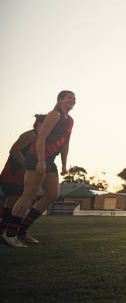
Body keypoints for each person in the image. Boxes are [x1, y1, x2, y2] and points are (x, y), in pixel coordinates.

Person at [1, 90, 75, 247]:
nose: (73, 100)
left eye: (74, 99)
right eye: (69, 97)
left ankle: (22, 230)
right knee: (28, 196)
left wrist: (63, 164)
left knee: (52, 195)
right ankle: (10, 234)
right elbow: (41, 137)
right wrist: (41, 161)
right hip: (37, 158)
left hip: (51, 161)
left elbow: (65, 144)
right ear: (60, 99)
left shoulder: (70, 121)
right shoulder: (54, 114)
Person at [0, 114, 46, 243]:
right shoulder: (31, 134)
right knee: (14, 202)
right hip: (13, 173)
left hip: (25, 176)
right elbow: (14, 150)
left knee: (21, 203)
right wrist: (28, 165)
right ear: (39, 124)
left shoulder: (42, 139)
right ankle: (8, 233)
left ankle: (15, 232)